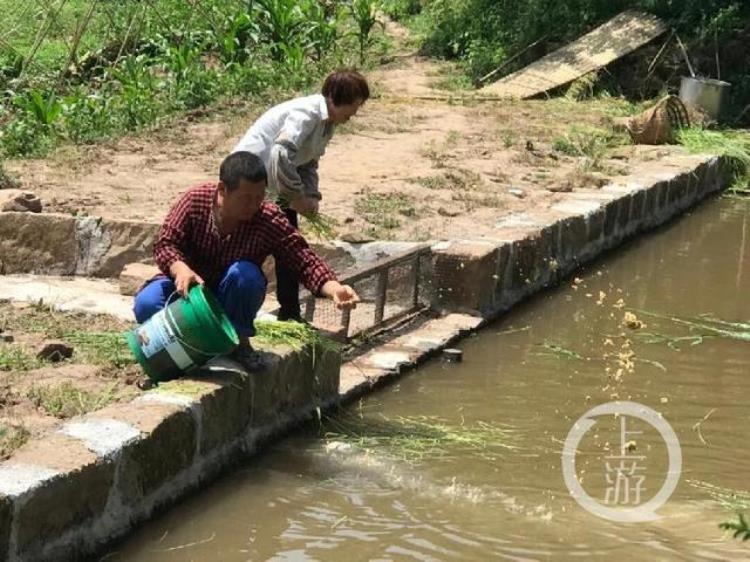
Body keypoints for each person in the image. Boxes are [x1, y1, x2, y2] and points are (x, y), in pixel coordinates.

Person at [133, 151, 360, 366]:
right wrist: (180, 269)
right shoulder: (195, 201)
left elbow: (302, 259)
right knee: (147, 303)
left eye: (259, 198)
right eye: (245, 198)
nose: (253, 205)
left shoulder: (267, 218)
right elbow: (166, 243)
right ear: (222, 189)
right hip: (189, 294)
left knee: (246, 275)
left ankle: (238, 343)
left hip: (231, 298)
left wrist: (333, 289)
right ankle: (191, 344)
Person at [232, 68, 370, 321]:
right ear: (335, 98)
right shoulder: (306, 114)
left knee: (289, 246)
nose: (355, 113)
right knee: (263, 246)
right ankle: (239, 310)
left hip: (274, 187)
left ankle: (290, 312)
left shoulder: (327, 124)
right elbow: (280, 154)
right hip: (247, 183)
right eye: (353, 105)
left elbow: (307, 163)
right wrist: (296, 198)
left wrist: (311, 195)